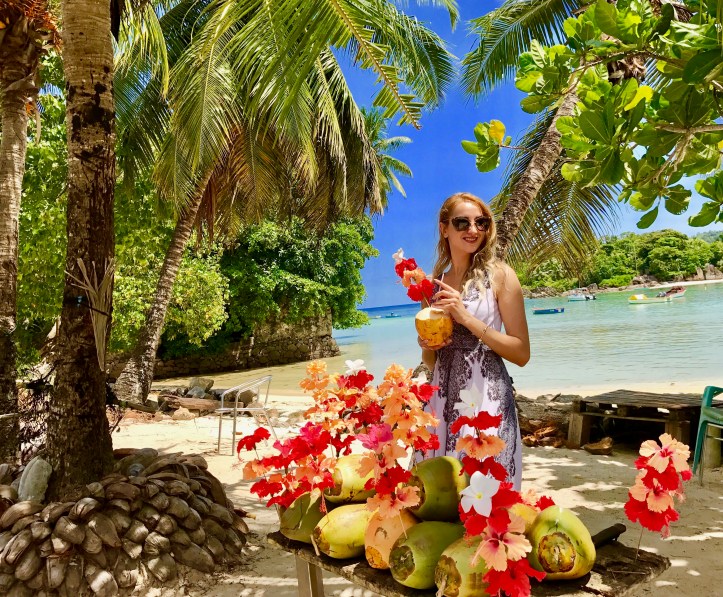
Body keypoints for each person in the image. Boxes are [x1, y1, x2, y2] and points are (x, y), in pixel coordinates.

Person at [418, 192, 530, 490]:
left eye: (481, 222)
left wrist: (466, 317)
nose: (473, 229)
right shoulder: (433, 287)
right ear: (444, 229)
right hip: (442, 397)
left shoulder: (501, 276)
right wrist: (426, 345)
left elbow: (521, 353)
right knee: (438, 493)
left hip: (486, 398)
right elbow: (431, 363)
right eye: (462, 223)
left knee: (485, 489)